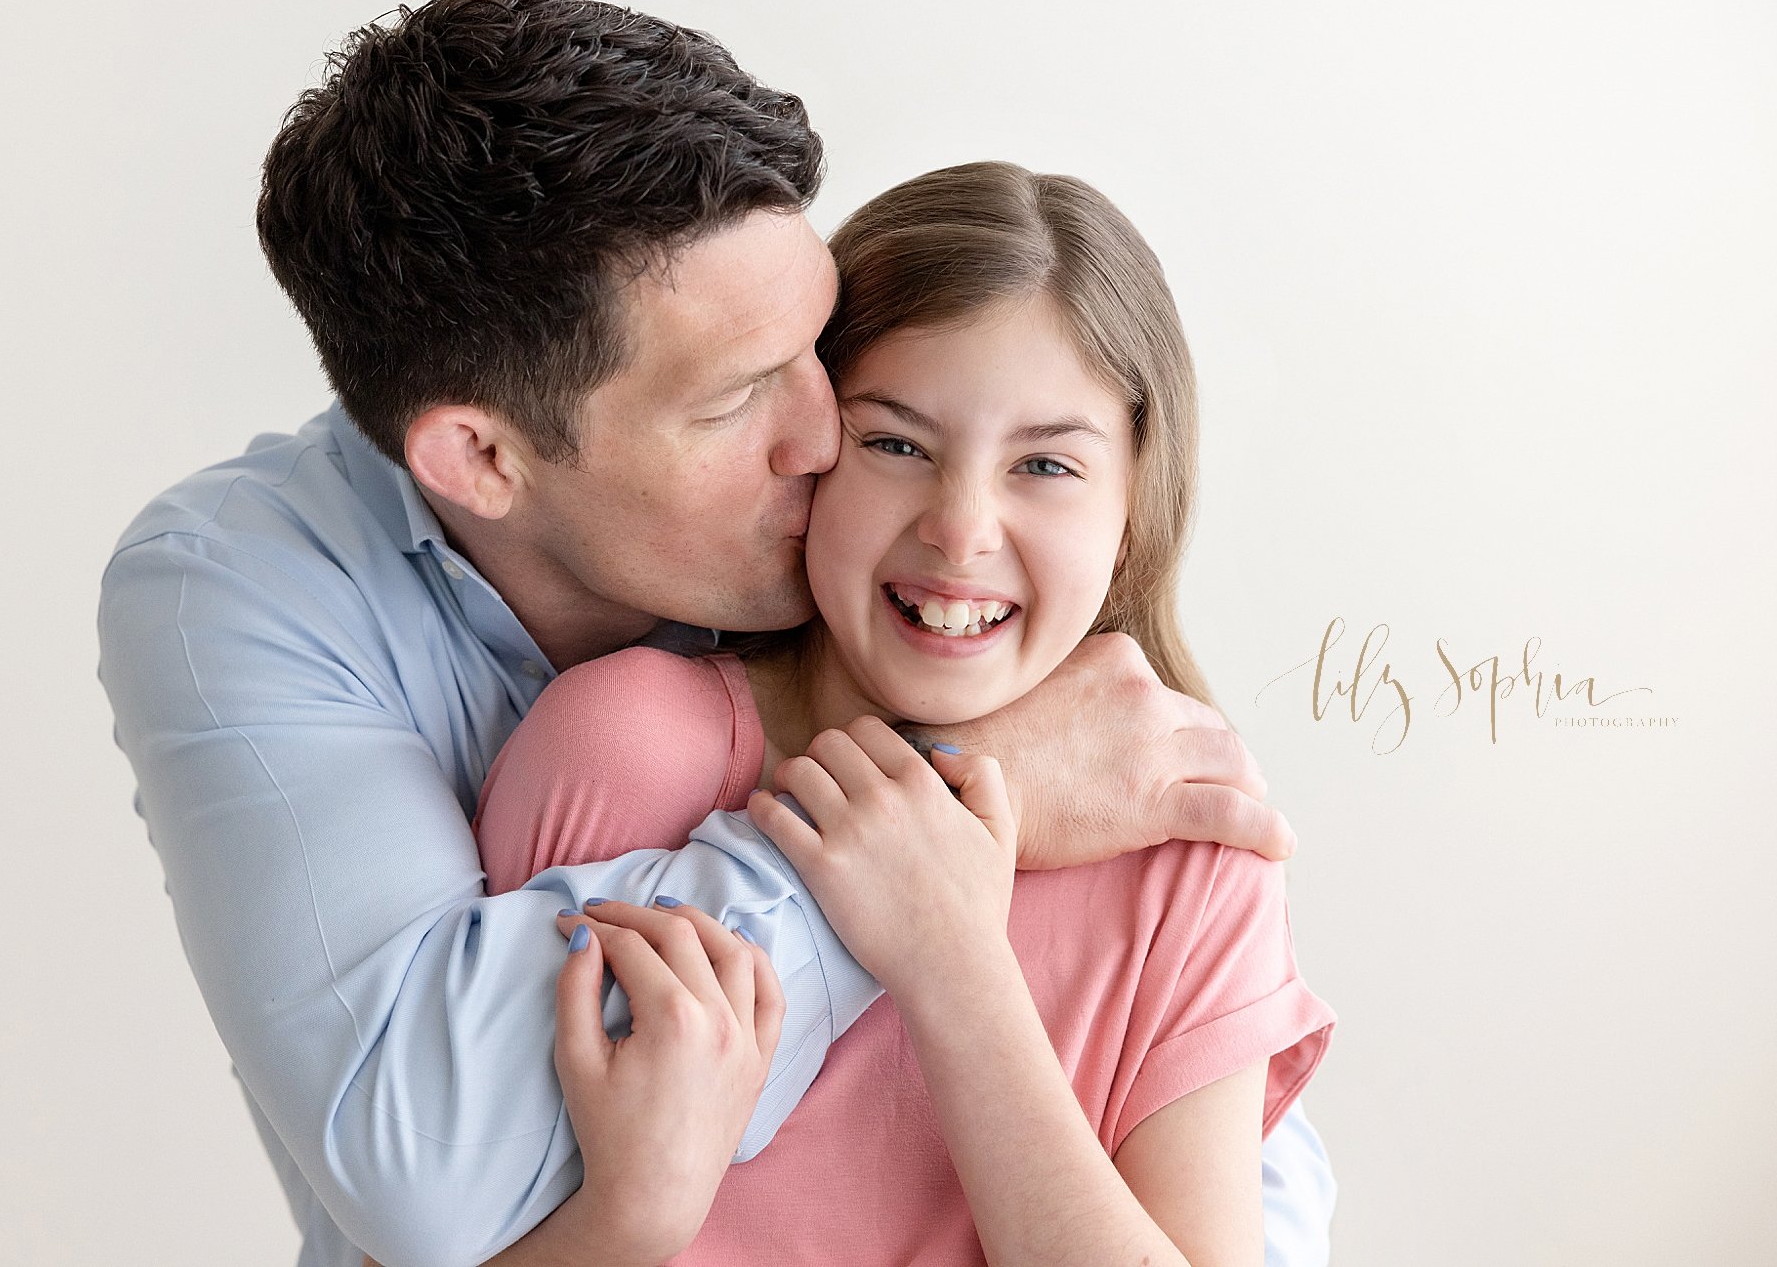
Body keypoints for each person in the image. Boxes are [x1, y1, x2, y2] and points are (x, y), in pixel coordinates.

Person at [95, 0, 1329, 1267]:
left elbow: (1237, 1184)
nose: (824, 439)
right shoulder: (255, 598)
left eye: (817, 350)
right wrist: (957, 800)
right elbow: (433, 1177)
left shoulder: (1134, 779)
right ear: (484, 459)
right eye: (741, 396)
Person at [467, 161, 1335, 1265]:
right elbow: (423, 1222)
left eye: (1046, 464)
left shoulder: (1186, 848)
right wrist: (626, 1216)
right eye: (894, 443)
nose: (961, 527)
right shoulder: (622, 750)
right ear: (807, 452)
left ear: (1131, 508)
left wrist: (952, 962)